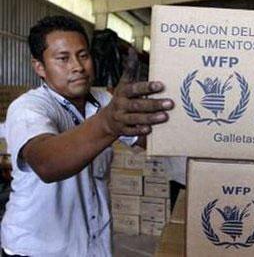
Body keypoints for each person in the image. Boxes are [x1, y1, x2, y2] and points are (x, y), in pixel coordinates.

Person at [1, 15, 173, 257]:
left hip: (93, 245)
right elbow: (46, 163)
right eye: (63, 58)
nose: (77, 66)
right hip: (37, 250)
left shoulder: (103, 100)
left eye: (83, 55)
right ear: (39, 67)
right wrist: (108, 123)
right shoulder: (29, 108)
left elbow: (151, 138)